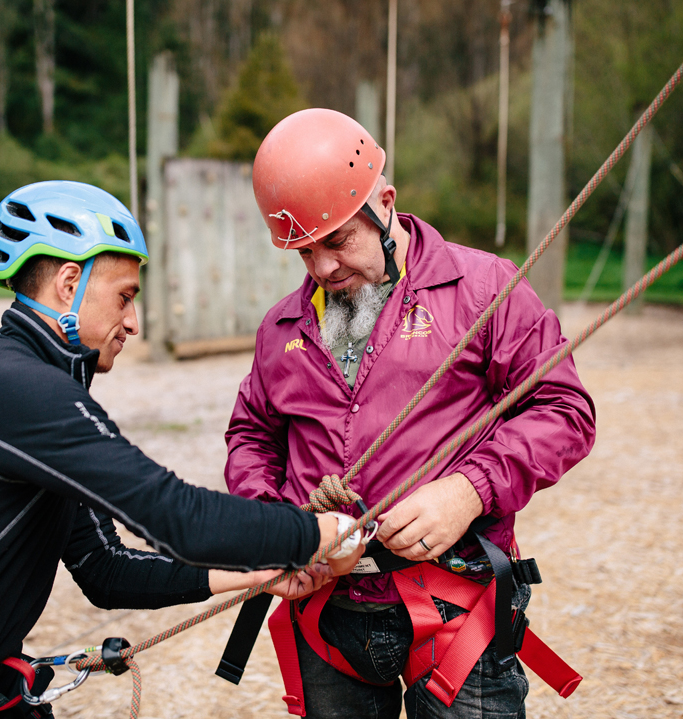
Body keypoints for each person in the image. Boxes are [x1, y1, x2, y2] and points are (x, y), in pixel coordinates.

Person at [0, 181, 363, 719]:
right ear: (69, 284)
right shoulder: (12, 387)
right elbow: (176, 516)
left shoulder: (32, 387)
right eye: (124, 297)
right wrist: (318, 532)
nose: (133, 323)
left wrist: (260, 573)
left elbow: (105, 568)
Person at [224, 109, 596, 718]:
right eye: (304, 252)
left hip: (456, 607)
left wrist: (469, 490)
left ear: (385, 204)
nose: (322, 269)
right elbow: (252, 435)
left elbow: (565, 409)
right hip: (327, 616)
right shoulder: (281, 329)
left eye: (337, 241)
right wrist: (279, 527)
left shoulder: (484, 290)